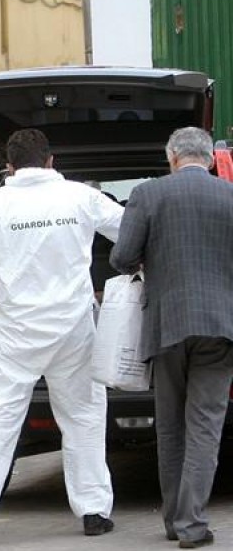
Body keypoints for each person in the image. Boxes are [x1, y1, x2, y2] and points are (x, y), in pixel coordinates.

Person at [0, 129, 123, 545]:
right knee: (83, 418)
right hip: (73, 330)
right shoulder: (81, 197)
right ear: (51, 161)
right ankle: (93, 512)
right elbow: (127, 234)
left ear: (9, 166)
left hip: (15, 334)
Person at [110, 126, 233, 549]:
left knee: (170, 428)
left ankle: (173, 521)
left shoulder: (148, 194)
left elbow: (122, 257)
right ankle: (192, 524)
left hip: (166, 325)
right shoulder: (230, 196)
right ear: (212, 159)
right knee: (205, 426)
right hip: (220, 327)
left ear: (171, 157)